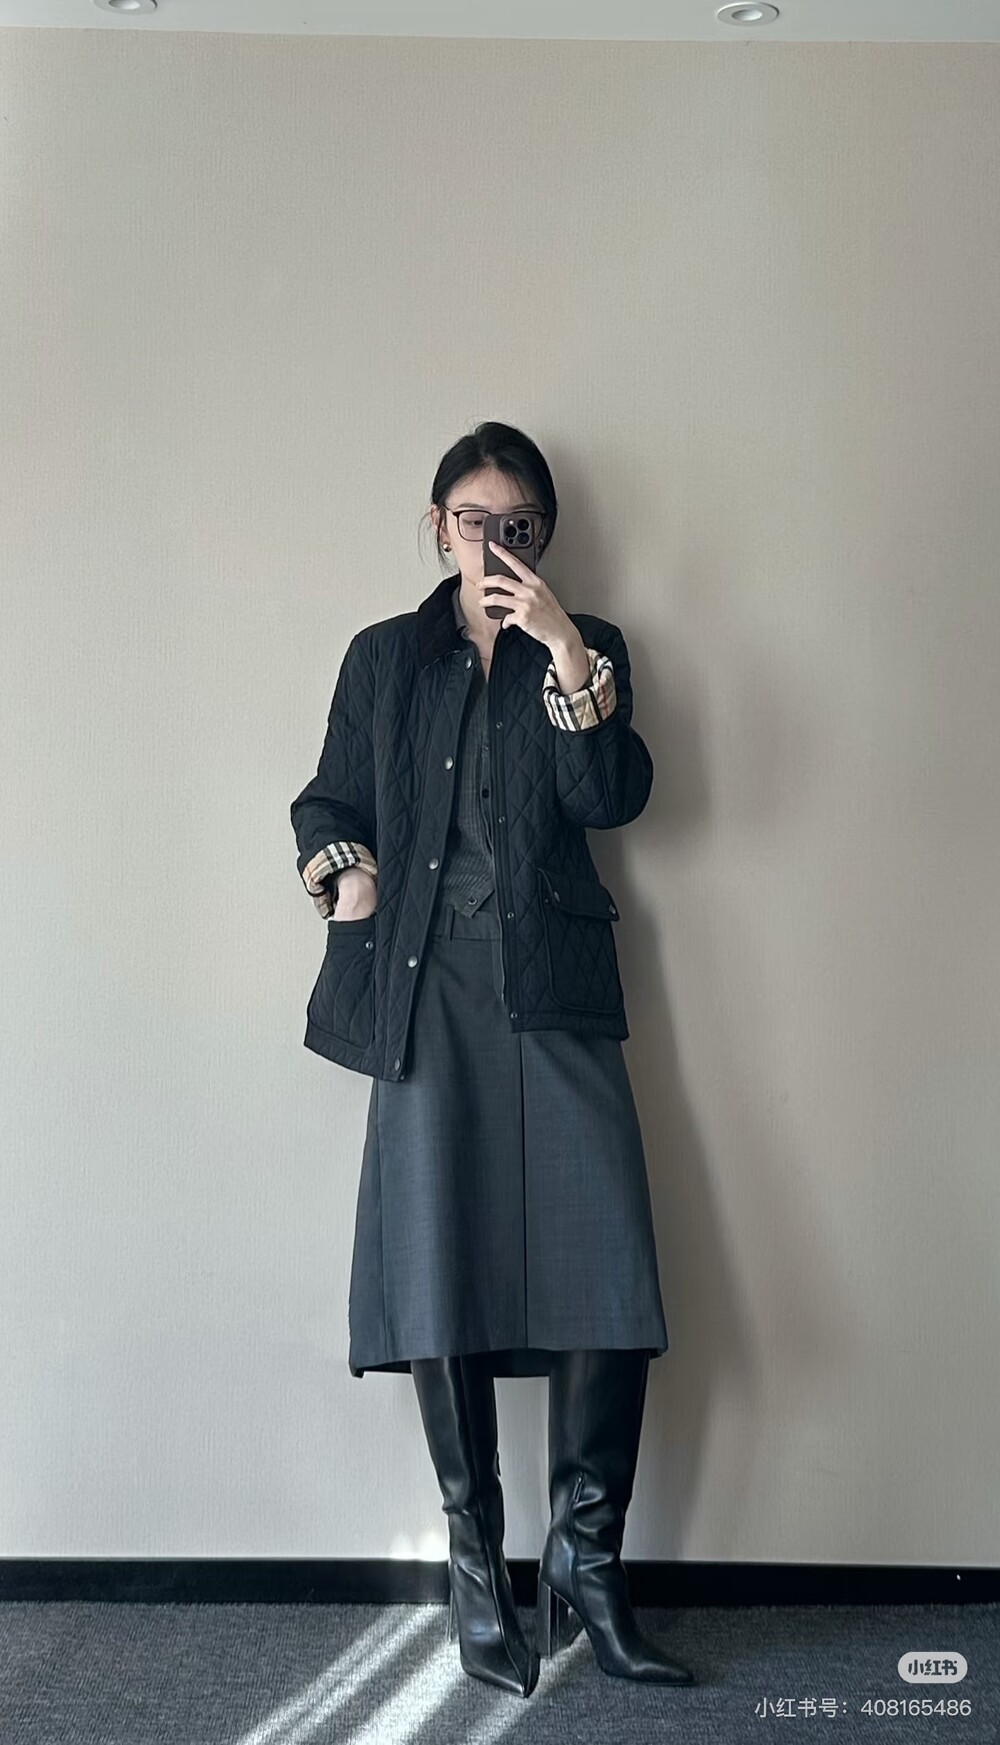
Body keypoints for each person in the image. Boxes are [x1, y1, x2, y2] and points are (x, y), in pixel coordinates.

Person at [290, 422, 695, 1696]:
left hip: (552, 984)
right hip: (423, 985)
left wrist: (565, 650)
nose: (493, 541)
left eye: (517, 523)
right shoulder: (383, 657)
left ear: (544, 535)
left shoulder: (593, 643)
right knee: (438, 1268)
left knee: (606, 1270)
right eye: (472, 520)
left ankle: (587, 1561)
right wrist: (343, 874)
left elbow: (608, 795)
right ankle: (478, 1574)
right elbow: (327, 800)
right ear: (436, 527)